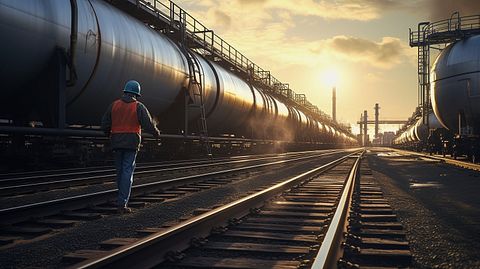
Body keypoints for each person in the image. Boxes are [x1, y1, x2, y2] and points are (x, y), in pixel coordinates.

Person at [101, 80, 160, 214]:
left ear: (125, 92)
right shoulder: (138, 107)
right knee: (128, 172)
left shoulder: (114, 105)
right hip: (131, 143)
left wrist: (108, 133)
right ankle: (122, 203)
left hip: (116, 142)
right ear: (136, 94)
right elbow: (148, 124)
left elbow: (104, 123)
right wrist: (156, 133)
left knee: (120, 171)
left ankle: (120, 198)